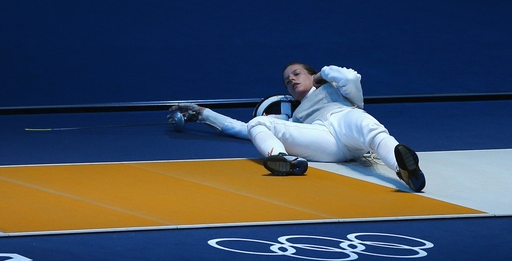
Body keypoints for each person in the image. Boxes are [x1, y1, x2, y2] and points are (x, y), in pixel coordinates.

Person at [168, 63, 426, 192]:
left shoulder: (340, 92)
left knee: (370, 128)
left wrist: (321, 75)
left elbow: (350, 76)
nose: (291, 79)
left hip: (347, 121)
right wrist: (203, 114)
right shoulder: (296, 117)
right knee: (258, 123)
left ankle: (405, 171)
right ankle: (284, 160)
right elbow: (244, 129)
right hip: (325, 142)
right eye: (286, 81)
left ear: (312, 74)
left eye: (296, 74)